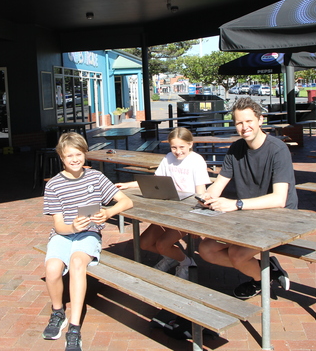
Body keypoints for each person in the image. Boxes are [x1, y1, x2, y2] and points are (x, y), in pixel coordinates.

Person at [197, 97, 297, 300]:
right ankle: (266, 270)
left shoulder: (278, 150)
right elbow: (219, 184)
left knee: (236, 254)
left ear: (260, 120)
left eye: (249, 121)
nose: (244, 127)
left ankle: (259, 280)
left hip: (279, 218)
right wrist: (206, 196)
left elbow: (279, 199)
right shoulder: (236, 148)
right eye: (239, 123)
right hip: (246, 215)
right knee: (206, 250)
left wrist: (236, 204)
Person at [42, 132, 133, 350]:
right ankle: (58, 312)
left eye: (78, 154)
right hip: (64, 234)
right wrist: (72, 227)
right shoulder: (53, 185)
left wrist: (108, 212)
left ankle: (74, 327)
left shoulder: (96, 177)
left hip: (89, 234)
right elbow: (58, 225)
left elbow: (126, 201)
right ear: (61, 158)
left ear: (85, 154)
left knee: (76, 262)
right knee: (52, 268)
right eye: (69, 155)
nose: (74, 159)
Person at [116, 127, 211, 280]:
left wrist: (197, 222)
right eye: (174, 147)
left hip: (187, 214)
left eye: (182, 147)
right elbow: (155, 181)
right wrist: (128, 185)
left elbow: (201, 193)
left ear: (190, 144)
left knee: (162, 244)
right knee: (144, 243)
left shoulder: (196, 161)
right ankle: (171, 257)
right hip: (168, 210)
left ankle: (186, 263)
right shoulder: (168, 158)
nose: (178, 151)